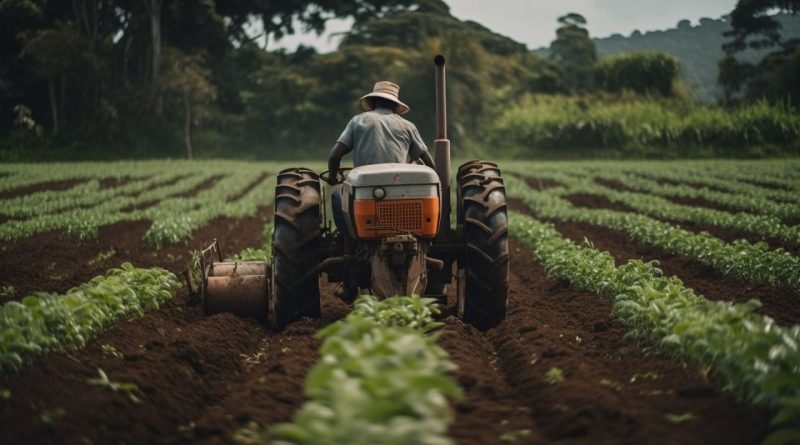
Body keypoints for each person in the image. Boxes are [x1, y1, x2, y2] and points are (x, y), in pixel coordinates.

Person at [326, 81, 434, 233]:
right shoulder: (408, 126)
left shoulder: (358, 121)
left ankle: (349, 242)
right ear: (395, 105)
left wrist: (332, 177)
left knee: (338, 196)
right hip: (401, 189)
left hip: (366, 188)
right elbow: (428, 161)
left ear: (373, 101)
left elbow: (334, 155)